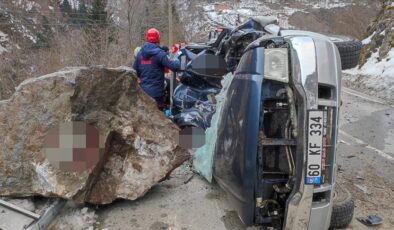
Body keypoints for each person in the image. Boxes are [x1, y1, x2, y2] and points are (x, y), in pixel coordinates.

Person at [133, 28, 180, 110]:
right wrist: (177, 60)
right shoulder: (160, 53)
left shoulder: (140, 54)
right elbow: (174, 66)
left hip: (143, 93)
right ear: (158, 38)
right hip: (157, 94)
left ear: (147, 38)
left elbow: (133, 71)